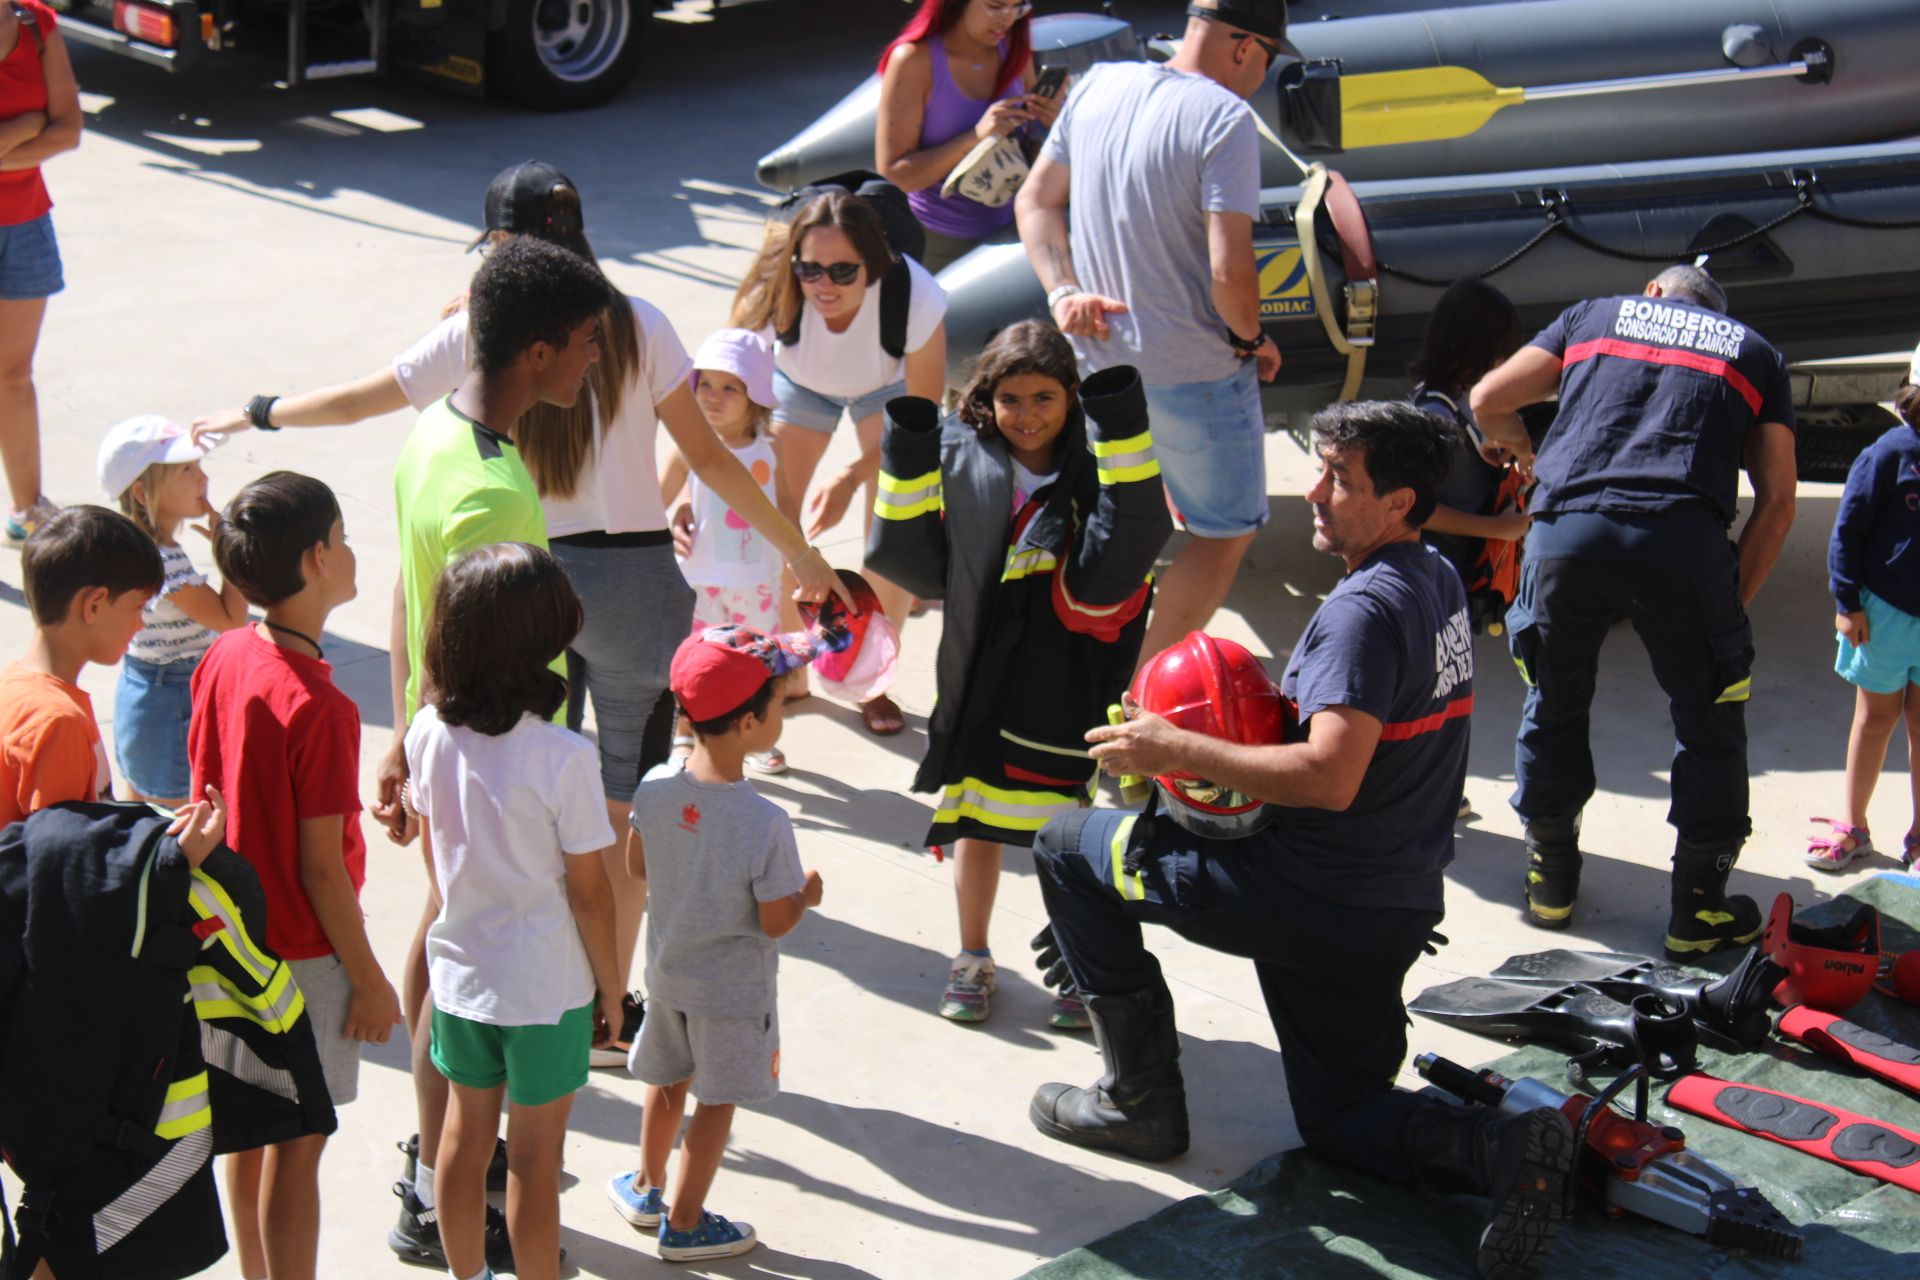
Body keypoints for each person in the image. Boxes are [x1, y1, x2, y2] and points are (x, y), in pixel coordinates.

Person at [191, 163, 841, 1064]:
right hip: (634, 587)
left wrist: (260, 411)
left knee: (489, 843)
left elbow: (360, 404)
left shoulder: (474, 349)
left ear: (504, 248)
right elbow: (712, 460)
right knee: (610, 825)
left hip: (513, 581)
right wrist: (801, 553)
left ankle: (461, 1066)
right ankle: (606, 1013)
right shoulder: (640, 321)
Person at [1028, 400, 1575, 1280]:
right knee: (1342, 1118)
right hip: (1389, 904)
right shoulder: (1435, 577)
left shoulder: (1362, 613)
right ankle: (1500, 1149)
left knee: (1065, 844)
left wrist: (1170, 747)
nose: (1313, 492)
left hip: (1302, 896)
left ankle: (1138, 1105)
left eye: (1339, 480)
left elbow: (1328, 776)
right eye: (1318, 468)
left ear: (1398, 502)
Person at [383, 233, 613, 1269]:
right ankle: (435, 1184)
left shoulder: (433, 433)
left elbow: (409, 591)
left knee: (446, 934)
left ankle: (435, 1179)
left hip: (446, 740)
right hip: (492, 759)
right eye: (588, 344)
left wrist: (405, 732)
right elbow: (469, 621)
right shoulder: (493, 495)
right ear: (537, 351)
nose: (595, 362)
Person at [1469, 265, 1797, 956]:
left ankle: (1551, 884)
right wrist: (1727, 609)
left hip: (1567, 536)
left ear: (1651, 291)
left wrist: (1525, 449)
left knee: (1552, 702)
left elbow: (1488, 398)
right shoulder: (1752, 350)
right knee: (1709, 721)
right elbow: (1778, 497)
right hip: (1681, 538)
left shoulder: (1595, 315)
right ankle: (1696, 912)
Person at [865, 322, 1169, 1026]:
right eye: (1010, 399)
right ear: (986, 398)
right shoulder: (962, 455)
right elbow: (909, 556)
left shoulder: (1097, 460)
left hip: (1068, 670)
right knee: (977, 815)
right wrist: (906, 451)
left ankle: (1075, 962)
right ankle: (971, 958)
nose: (1026, 415)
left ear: (1071, 397)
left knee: (1066, 824)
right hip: (984, 665)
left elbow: (1132, 539)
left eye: (1043, 398)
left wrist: (1121, 423)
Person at [1015, 0, 1286, 675]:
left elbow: (1036, 200)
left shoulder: (1100, 83)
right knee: (1225, 532)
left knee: (1120, 525)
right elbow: (1230, 271)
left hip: (1101, 363)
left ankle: (1070, 673)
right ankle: (1138, 699)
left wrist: (1064, 291)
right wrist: (1252, 339)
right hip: (1194, 370)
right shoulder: (1225, 119)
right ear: (1247, 48)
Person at [188, 471, 402, 1280]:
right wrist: (370, 980)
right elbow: (322, 871)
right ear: (316, 559)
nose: (351, 555)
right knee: (298, 1148)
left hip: (226, 937)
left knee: (246, 1132)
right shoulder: (322, 707)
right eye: (343, 540)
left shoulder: (226, 653)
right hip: (302, 957)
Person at [407, 543, 624, 1280]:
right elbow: (592, 894)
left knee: (461, 1146)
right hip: (546, 990)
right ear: (546, 639)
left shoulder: (426, 735)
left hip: (463, 977)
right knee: (535, 1158)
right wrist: (613, 987)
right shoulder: (565, 756)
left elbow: (438, 864)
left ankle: (467, 1274)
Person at [607, 625, 824, 1263]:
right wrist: (805, 895)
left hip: (669, 973)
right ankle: (686, 1219)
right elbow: (776, 920)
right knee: (717, 1100)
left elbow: (639, 867)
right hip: (732, 992)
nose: (782, 714)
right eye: (781, 705)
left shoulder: (653, 786)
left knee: (666, 1081)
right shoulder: (765, 821)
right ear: (753, 723)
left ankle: (646, 1188)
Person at [733, 189, 949, 736]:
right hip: (801, 385)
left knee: (891, 527)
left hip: (888, 388)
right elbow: (723, 394)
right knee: (776, 516)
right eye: (810, 269)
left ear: (873, 263)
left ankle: (870, 679)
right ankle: (794, 664)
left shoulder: (915, 295)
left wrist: (852, 477)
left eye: (842, 271)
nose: (823, 285)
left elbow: (920, 424)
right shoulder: (774, 288)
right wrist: (692, 492)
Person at [97, 415, 249, 807]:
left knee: (143, 813)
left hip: (146, 692)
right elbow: (231, 620)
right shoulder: (166, 562)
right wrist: (228, 552)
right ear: (144, 494)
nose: (203, 480)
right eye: (187, 470)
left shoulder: (135, 547)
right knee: (180, 821)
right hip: (171, 702)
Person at [660, 328, 789, 775]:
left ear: (755, 395)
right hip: (701, 579)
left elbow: (786, 504)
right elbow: (658, 497)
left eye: (729, 387)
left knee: (758, 664)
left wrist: (800, 556)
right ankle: (683, 732)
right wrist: (673, 517)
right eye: (705, 385)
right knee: (696, 659)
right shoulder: (690, 448)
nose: (713, 397)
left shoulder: (771, 451)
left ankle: (755, 738)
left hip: (758, 581)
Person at [1811, 349, 1920, 872]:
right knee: (1875, 718)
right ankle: (1853, 826)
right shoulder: (1888, 454)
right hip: (1884, 615)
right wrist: (1847, 602)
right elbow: (1848, 531)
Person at [2, 505, 160, 825]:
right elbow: (64, 858)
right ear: (94, 605)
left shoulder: (15, 685)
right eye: (138, 607)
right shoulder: (59, 723)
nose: (141, 624)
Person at [875, 0, 1060, 272]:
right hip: (938, 240)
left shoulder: (1013, 48)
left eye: (1017, 7)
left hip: (1012, 228)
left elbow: (1032, 149)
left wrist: (1051, 122)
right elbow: (895, 174)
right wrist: (976, 137)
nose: (1007, 18)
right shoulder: (914, 60)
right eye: (995, 6)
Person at [0, 0, 80, 544]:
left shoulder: (36, 25)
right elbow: (47, 126)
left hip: (25, 224)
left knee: (13, 377)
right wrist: (28, 127)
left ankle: (26, 512)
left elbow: (69, 131)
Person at [1409, 280, 1530, 595]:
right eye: (1501, 354)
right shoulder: (1434, 417)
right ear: (1475, 351)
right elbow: (1417, 510)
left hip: (1460, 572)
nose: (1506, 363)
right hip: (1436, 578)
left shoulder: (1458, 394)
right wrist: (1498, 529)